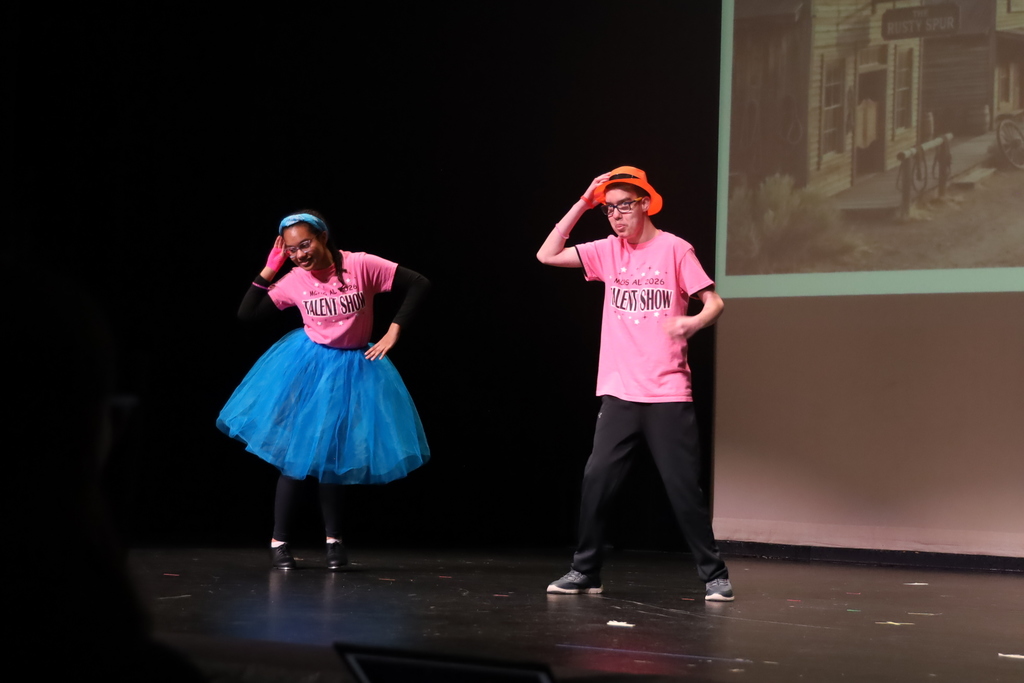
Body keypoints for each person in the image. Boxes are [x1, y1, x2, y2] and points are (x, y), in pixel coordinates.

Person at [536, 167, 734, 602]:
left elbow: (714, 301)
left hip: (667, 392)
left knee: (683, 489)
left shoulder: (675, 248)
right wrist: (583, 202)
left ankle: (715, 574)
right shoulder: (607, 251)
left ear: (645, 204)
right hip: (620, 392)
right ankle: (585, 571)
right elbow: (546, 255)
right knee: (597, 481)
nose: (616, 215)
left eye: (624, 206)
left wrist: (694, 322)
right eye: (609, 209)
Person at [217, 210, 430, 570]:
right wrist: (270, 268)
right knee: (296, 456)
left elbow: (420, 283)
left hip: (354, 368)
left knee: (334, 457)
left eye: (305, 244)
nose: (300, 254)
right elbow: (247, 314)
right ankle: (279, 542)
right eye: (291, 250)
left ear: (322, 237)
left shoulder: (361, 265)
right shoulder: (294, 280)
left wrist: (394, 330)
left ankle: (334, 542)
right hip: (310, 368)